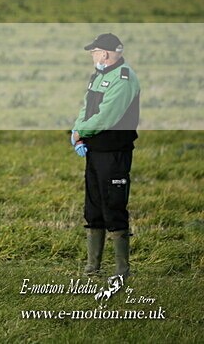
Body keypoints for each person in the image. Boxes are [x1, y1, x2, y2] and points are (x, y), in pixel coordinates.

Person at [71, 33, 140, 278]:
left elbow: (106, 117)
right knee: (94, 208)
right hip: (95, 150)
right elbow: (86, 108)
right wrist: (78, 132)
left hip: (114, 153)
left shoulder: (123, 79)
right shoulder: (99, 76)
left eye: (95, 52)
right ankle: (93, 267)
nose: (93, 56)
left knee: (114, 206)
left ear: (106, 53)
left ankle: (122, 270)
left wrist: (81, 131)